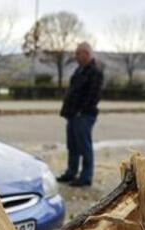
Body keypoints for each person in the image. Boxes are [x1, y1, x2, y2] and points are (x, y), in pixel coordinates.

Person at [57, 42, 104, 187]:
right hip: (72, 115)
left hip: (84, 115)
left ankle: (86, 176)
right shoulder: (79, 70)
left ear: (86, 54)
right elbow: (72, 92)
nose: (76, 56)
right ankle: (71, 172)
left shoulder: (95, 72)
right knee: (72, 145)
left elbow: (93, 96)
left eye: (78, 53)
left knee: (84, 146)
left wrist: (80, 111)